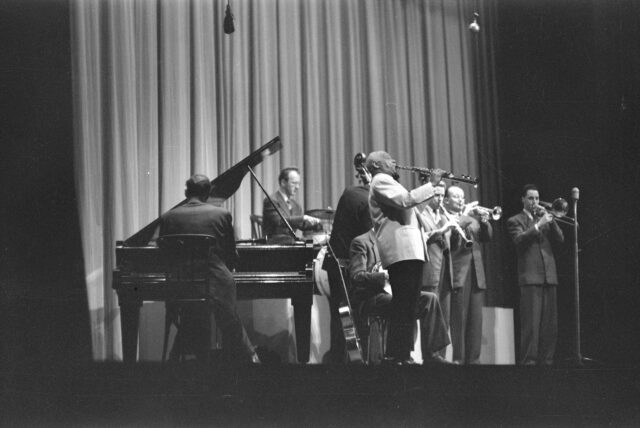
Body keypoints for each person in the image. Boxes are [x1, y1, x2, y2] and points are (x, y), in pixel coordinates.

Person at [159, 174, 259, 364]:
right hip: (215, 286)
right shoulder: (221, 215)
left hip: (181, 288)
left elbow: (164, 255)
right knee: (230, 320)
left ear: (186, 192)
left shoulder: (168, 217)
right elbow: (230, 254)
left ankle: (185, 360)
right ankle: (249, 360)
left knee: (191, 314)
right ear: (208, 194)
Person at [366, 150, 444, 365]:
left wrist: (428, 187)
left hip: (408, 250)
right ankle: (397, 355)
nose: (394, 160)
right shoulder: (380, 180)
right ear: (375, 165)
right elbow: (406, 200)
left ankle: (401, 354)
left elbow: (412, 210)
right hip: (402, 250)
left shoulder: (388, 181)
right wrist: (432, 184)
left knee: (408, 304)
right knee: (404, 304)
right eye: (388, 158)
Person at [349, 230, 451, 363]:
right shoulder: (360, 242)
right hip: (370, 296)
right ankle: (402, 356)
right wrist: (384, 276)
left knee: (429, 299)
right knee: (403, 303)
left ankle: (432, 354)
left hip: (390, 292)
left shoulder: (391, 242)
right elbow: (357, 276)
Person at [321, 157, 373, 364]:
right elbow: (370, 235)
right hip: (347, 265)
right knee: (350, 318)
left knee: (341, 316)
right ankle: (352, 364)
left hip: (338, 263)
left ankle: (341, 362)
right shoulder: (365, 198)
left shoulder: (354, 193)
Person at [506, 184, 564, 365]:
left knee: (550, 325)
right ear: (523, 199)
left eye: (537, 198)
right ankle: (529, 363)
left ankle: (547, 360)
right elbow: (519, 240)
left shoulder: (546, 219)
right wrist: (538, 225)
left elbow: (560, 239)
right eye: (531, 198)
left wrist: (552, 220)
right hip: (530, 277)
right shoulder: (515, 220)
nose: (535, 202)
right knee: (531, 324)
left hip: (549, 276)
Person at [442, 185, 492, 364]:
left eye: (462, 197)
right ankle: (459, 360)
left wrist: (485, 222)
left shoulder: (471, 218)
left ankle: (474, 361)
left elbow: (486, 237)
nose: (461, 200)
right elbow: (452, 238)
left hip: (477, 273)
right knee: (459, 321)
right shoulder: (446, 216)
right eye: (456, 197)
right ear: (446, 200)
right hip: (459, 273)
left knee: (475, 321)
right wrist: (465, 216)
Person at [262, 167, 321, 243]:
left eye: (298, 184)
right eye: (294, 183)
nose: (297, 187)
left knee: (315, 246)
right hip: (275, 245)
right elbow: (280, 221)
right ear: (283, 182)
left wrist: (318, 224)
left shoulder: (296, 206)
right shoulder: (271, 201)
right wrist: (303, 218)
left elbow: (302, 224)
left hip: (291, 244)